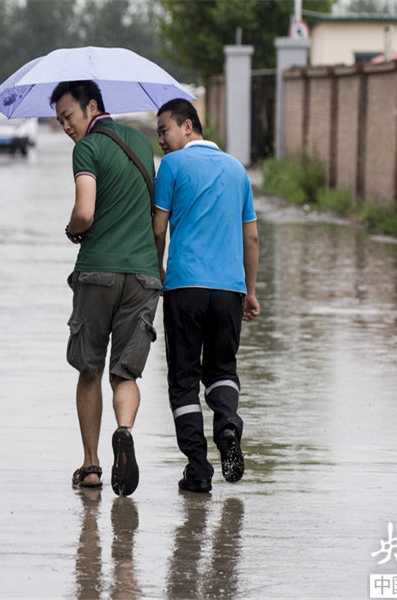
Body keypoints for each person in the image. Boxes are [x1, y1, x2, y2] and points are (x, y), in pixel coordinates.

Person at [50, 80, 162, 497]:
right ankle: (125, 432)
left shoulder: (87, 148)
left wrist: (72, 229)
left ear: (91, 106)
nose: (65, 126)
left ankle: (92, 465)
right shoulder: (140, 141)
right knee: (125, 373)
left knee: (89, 370)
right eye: (60, 120)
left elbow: (85, 210)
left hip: (98, 272)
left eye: (69, 116)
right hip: (143, 275)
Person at [152, 98, 260, 494]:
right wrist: (249, 291)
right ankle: (228, 424)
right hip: (229, 289)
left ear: (188, 127)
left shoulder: (173, 167)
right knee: (222, 370)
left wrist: (157, 268)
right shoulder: (237, 169)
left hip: (184, 286)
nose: (160, 138)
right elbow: (251, 236)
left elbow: (158, 227)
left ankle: (198, 469)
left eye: (164, 129)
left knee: (183, 378)